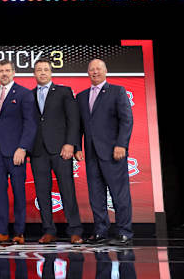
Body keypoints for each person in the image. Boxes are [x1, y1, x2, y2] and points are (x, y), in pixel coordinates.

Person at [75, 59, 134, 246]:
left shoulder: (117, 91)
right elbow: (79, 126)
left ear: (106, 71)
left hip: (113, 152)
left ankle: (124, 231)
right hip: (92, 154)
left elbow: (126, 120)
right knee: (96, 196)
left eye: (98, 69)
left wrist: (121, 145)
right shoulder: (82, 96)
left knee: (119, 194)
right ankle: (101, 232)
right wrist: (77, 147)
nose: (95, 72)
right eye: (91, 69)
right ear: (87, 73)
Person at [0, 59, 37, 244]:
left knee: (19, 192)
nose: (4, 73)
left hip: (16, 153)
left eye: (7, 70)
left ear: (13, 72)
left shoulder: (24, 94)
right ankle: (2, 231)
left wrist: (23, 148)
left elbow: (30, 123)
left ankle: (19, 232)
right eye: (0, 71)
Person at [30, 58, 83, 244]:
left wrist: (71, 144)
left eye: (46, 69)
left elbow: (73, 120)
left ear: (51, 72)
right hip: (38, 151)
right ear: (34, 74)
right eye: (39, 70)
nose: (42, 72)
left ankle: (75, 230)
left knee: (67, 190)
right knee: (42, 192)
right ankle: (49, 230)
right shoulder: (29, 95)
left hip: (61, 150)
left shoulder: (64, 92)